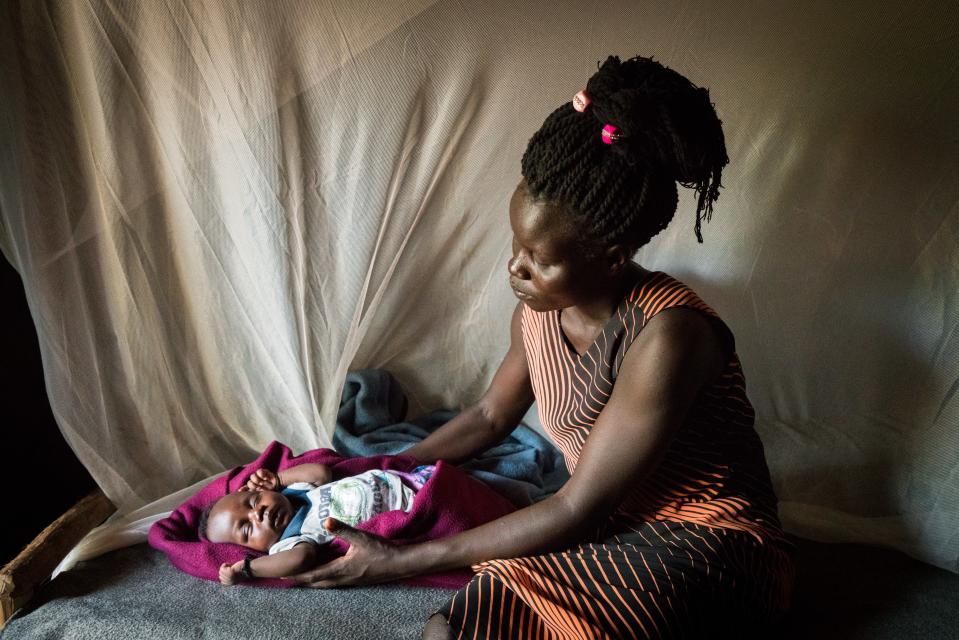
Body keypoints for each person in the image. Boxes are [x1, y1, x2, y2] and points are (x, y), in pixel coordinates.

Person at [289, 55, 795, 639]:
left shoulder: (669, 335)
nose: (515, 267)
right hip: (619, 529)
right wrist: (371, 470)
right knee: (459, 623)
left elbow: (576, 508)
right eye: (516, 244)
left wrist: (398, 560)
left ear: (612, 256)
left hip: (717, 541)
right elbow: (488, 416)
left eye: (540, 260)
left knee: (588, 623)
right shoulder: (538, 313)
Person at [202, 462, 432, 585]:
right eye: (247, 528)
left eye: (254, 501)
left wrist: (279, 479)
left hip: (405, 478)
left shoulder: (295, 492)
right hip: (414, 510)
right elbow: (300, 559)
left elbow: (321, 472)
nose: (258, 513)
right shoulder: (289, 541)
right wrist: (248, 569)